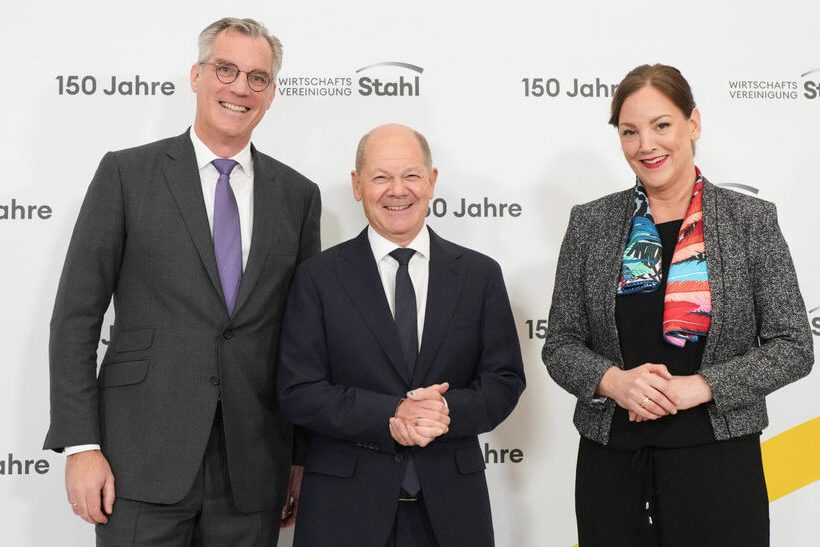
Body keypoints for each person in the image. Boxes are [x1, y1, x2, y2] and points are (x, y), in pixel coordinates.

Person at [43, 17, 321, 545]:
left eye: (257, 78)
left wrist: (300, 457)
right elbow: (77, 317)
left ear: (272, 94)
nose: (240, 87)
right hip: (137, 460)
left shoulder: (298, 196)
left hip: (254, 466)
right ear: (196, 75)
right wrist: (81, 445)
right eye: (226, 69)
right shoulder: (126, 175)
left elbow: (302, 341)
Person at [542, 63, 813, 546]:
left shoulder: (749, 220)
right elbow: (560, 343)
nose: (646, 144)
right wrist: (613, 381)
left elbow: (793, 345)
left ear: (694, 124)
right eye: (630, 131)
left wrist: (702, 386)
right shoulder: (590, 224)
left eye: (661, 125)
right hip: (613, 463)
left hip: (719, 462)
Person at [276, 123, 525, 547]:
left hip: (452, 512)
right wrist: (392, 415)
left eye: (411, 176)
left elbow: (504, 381)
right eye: (380, 177)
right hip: (343, 512)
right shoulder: (317, 278)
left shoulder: (480, 275)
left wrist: (443, 411)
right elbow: (299, 390)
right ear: (357, 186)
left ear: (432, 181)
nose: (398, 190)